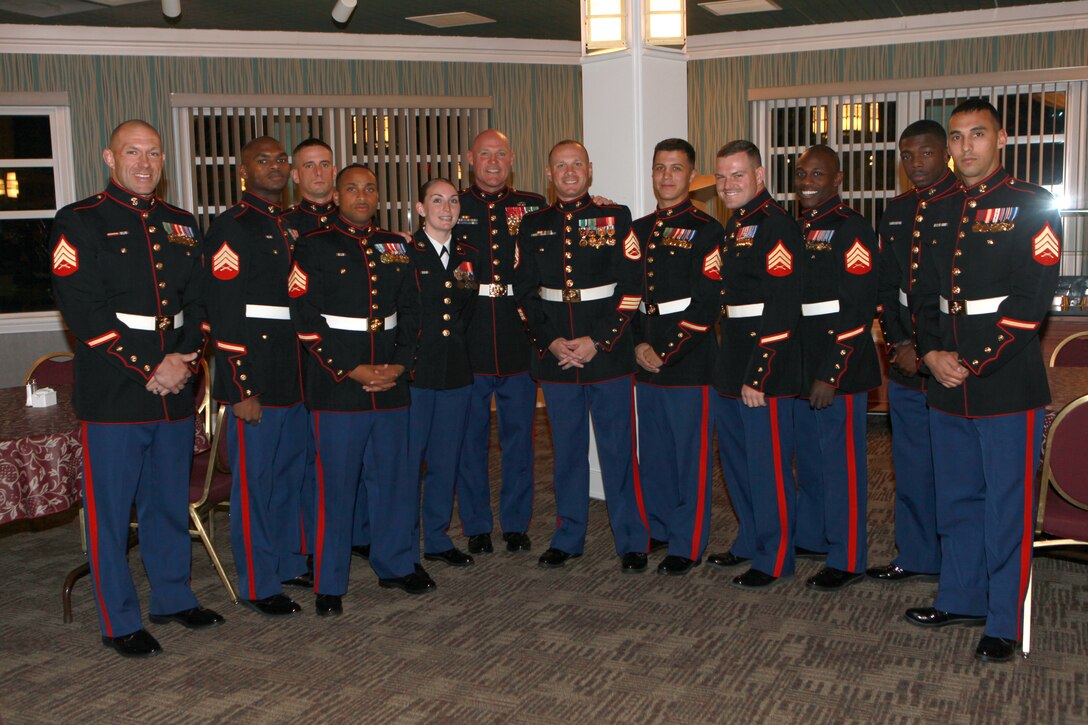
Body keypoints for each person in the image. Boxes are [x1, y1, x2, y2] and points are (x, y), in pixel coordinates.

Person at [51, 119, 223, 658]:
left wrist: (187, 357)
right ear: (110, 157)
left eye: (153, 153)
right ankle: (118, 618)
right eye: (132, 152)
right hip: (115, 387)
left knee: (167, 501)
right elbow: (83, 309)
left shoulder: (181, 223)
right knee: (109, 512)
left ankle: (172, 596)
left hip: (175, 383)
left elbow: (199, 301)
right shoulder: (79, 221)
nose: (144, 163)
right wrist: (152, 365)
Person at [907, 98, 1061, 663]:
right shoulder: (936, 206)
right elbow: (923, 295)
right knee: (956, 500)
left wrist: (970, 359)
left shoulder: (1032, 205)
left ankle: (1002, 619)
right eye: (956, 136)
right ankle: (961, 596)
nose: (965, 146)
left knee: (1005, 507)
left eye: (977, 134)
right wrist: (929, 353)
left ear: (1000, 140)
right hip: (945, 381)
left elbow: (1030, 303)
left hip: (1003, 381)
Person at [289, 164, 428, 616]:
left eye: (370, 188)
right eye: (352, 189)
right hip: (339, 389)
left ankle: (397, 564)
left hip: (390, 384)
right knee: (336, 489)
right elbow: (305, 321)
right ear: (337, 194)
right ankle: (329, 583)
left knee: (394, 482)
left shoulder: (394, 245)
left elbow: (411, 311)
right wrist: (351, 369)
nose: (362, 196)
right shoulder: (313, 246)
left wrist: (401, 365)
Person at [514, 140, 650, 572]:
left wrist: (600, 340)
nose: (569, 172)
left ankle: (631, 540)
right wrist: (550, 342)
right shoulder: (532, 224)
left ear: (589, 170)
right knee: (567, 453)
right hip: (557, 357)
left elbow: (632, 290)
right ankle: (568, 537)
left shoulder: (615, 217)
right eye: (560, 165)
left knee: (617, 451)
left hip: (606, 355)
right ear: (549, 173)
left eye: (577, 165)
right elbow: (523, 293)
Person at [204, 136, 308, 617]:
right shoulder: (232, 227)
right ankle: (257, 583)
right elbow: (223, 315)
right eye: (262, 160)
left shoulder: (289, 227)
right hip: (256, 379)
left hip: (294, 376)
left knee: (289, 479)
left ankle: (286, 562)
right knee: (255, 488)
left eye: (280, 160)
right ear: (244, 170)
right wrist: (239, 386)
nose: (275, 167)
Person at [708, 140, 805, 590]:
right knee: (739, 464)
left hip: (762, 368)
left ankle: (776, 555)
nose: (728, 185)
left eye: (738, 175)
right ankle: (751, 538)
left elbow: (782, 305)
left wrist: (759, 373)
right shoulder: (737, 226)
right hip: (732, 361)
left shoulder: (775, 225)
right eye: (722, 177)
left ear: (760, 175)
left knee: (767, 468)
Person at [867, 121, 959, 584]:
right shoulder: (898, 209)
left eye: (925, 152)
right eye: (907, 154)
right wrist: (900, 344)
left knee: (953, 471)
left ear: (945, 152)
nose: (916, 162)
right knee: (911, 466)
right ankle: (916, 555)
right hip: (905, 363)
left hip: (949, 361)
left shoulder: (965, 201)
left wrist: (927, 350)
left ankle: (955, 563)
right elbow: (886, 285)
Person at [790, 144, 881, 591]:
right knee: (809, 462)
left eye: (818, 174)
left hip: (837, 370)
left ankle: (848, 557)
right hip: (803, 364)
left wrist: (832, 372)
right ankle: (812, 536)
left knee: (841, 466)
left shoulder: (852, 229)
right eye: (802, 173)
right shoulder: (794, 229)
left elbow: (859, 307)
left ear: (838, 179)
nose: (807, 182)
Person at [631, 138, 723, 575]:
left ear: (691, 175)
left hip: (688, 360)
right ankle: (660, 528)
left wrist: (666, 350)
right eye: (660, 168)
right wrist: (637, 345)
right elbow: (628, 296)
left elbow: (707, 301)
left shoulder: (708, 230)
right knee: (655, 453)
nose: (667, 176)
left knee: (691, 457)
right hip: (644, 354)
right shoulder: (639, 228)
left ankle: (687, 543)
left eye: (676, 168)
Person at [454, 129, 545, 555]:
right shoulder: (454, 204)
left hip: (517, 333)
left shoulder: (533, 206)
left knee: (519, 439)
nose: (493, 162)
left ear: (512, 159)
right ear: (471, 158)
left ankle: (515, 523)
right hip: (469, 335)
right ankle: (475, 524)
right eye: (485, 154)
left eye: (501, 154)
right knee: (469, 439)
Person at [403, 178, 479, 568]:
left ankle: (435, 538)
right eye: (437, 200)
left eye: (452, 201)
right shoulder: (404, 252)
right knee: (407, 465)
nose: (446, 208)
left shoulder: (468, 255)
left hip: (455, 374)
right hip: (416, 374)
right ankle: (401, 546)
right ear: (420, 209)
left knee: (445, 461)